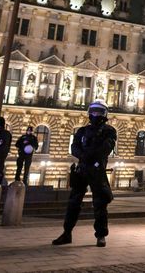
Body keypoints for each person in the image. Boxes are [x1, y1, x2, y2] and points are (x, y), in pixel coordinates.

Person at [52, 101, 116, 247]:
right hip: (81, 169)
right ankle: (67, 233)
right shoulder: (81, 131)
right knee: (73, 203)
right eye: (93, 111)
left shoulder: (109, 131)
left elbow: (106, 148)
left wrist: (87, 155)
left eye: (99, 112)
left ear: (104, 114)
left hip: (97, 170)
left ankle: (101, 235)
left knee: (100, 204)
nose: (95, 114)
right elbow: (74, 147)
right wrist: (82, 155)